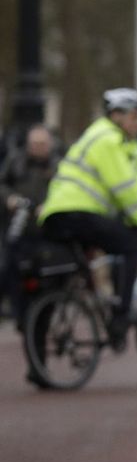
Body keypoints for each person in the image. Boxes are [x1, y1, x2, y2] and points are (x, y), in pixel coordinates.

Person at [38, 88, 137, 350]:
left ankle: (42, 356)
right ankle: (120, 316)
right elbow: (123, 188)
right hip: (77, 212)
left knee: (78, 270)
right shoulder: (108, 139)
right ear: (116, 116)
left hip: (59, 214)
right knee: (130, 246)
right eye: (134, 117)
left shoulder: (98, 136)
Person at [0, 124, 60, 326]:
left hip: (46, 232)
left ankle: (42, 318)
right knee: (11, 270)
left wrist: (50, 206)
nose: (38, 148)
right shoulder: (16, 160)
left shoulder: (58, 164)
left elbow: (68, 190)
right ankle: (21, 317)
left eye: (42, 144)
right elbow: (2, 184)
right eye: (34, 144)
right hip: (19, 228)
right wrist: (10, 199)